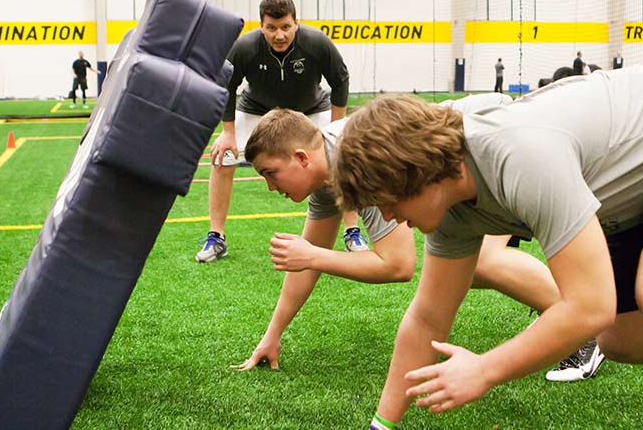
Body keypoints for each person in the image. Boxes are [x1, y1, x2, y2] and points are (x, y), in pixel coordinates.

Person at [333, 62, 643, 429]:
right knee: (621, 339)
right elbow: (426, 319)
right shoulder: (452, 211)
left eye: (386, 200)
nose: (388, 217)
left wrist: (485, 369)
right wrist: (382, 425)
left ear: (417, 173)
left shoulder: (517, 155)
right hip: (630, 184)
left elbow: (588, 306)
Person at [234, 94, 606, 383]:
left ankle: (581, 333)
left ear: (300, 157)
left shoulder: (355, 163)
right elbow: (307, 259)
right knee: (460, 269)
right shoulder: (324, 172)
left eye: (271, 173)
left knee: (480, 261)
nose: (270, 186)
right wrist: (273, 334)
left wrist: (315, 257)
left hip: (494, 145)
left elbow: (397, 265)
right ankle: (564, 317)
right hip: (474, 146)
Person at [197, 0, 355, 263]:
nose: (279, 35)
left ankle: (352, 231)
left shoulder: (316, 43)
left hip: (311, 109)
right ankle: (216, 237)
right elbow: (227, 85)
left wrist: (337, 127)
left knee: (343, 157)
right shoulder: (246, 47)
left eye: (285, 27)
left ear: (296, 24)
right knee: (222, 156)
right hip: (258, 110)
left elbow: (340, 80)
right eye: (271, 28)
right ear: (262, 26)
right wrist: (228, 134)